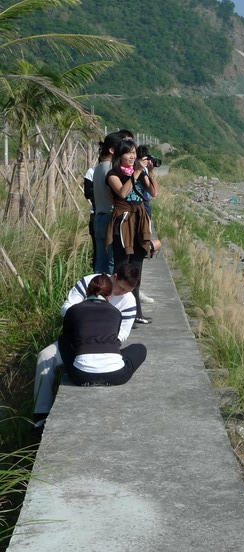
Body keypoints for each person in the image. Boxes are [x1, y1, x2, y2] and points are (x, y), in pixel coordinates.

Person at [33, 263, 141, 427]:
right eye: (120, 288)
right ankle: (40, 413)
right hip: (77, 338)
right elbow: (67, 307)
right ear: (115, 276)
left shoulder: (129, 301)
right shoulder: (90, 282)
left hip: (104, 343)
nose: (121, 293)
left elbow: (123, 334)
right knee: (45, 356)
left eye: (126, 291)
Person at [105, 139, 161, 323]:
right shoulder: (113, 174)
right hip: (123, 223)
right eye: (128, 153)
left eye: (134, 152)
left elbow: (153, 193)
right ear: (119, 155)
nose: (132, 156)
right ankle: (113, 310)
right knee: (121, 267)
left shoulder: (140, 172)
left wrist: (150, 172)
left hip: (139, 221)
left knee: (137, 268)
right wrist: (136, 172)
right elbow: (122, 193)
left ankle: (136, 312)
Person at [58, 274, 146, 388]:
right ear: (109, 296)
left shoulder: (73, 310)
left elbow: (68, 337)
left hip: (81, 376)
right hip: (115, 375)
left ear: (87, 292)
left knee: (63, 339)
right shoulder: (116, 312)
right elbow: (116, 337)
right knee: (140, 348)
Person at [92, 132, 122, 273]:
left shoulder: (98, 167)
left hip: (98, 217)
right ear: (112, 150)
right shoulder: (111, 169)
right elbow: (120, 194)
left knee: (100, 261)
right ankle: (111, 293)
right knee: (112, 262)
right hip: (110, 218)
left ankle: (98, 292)